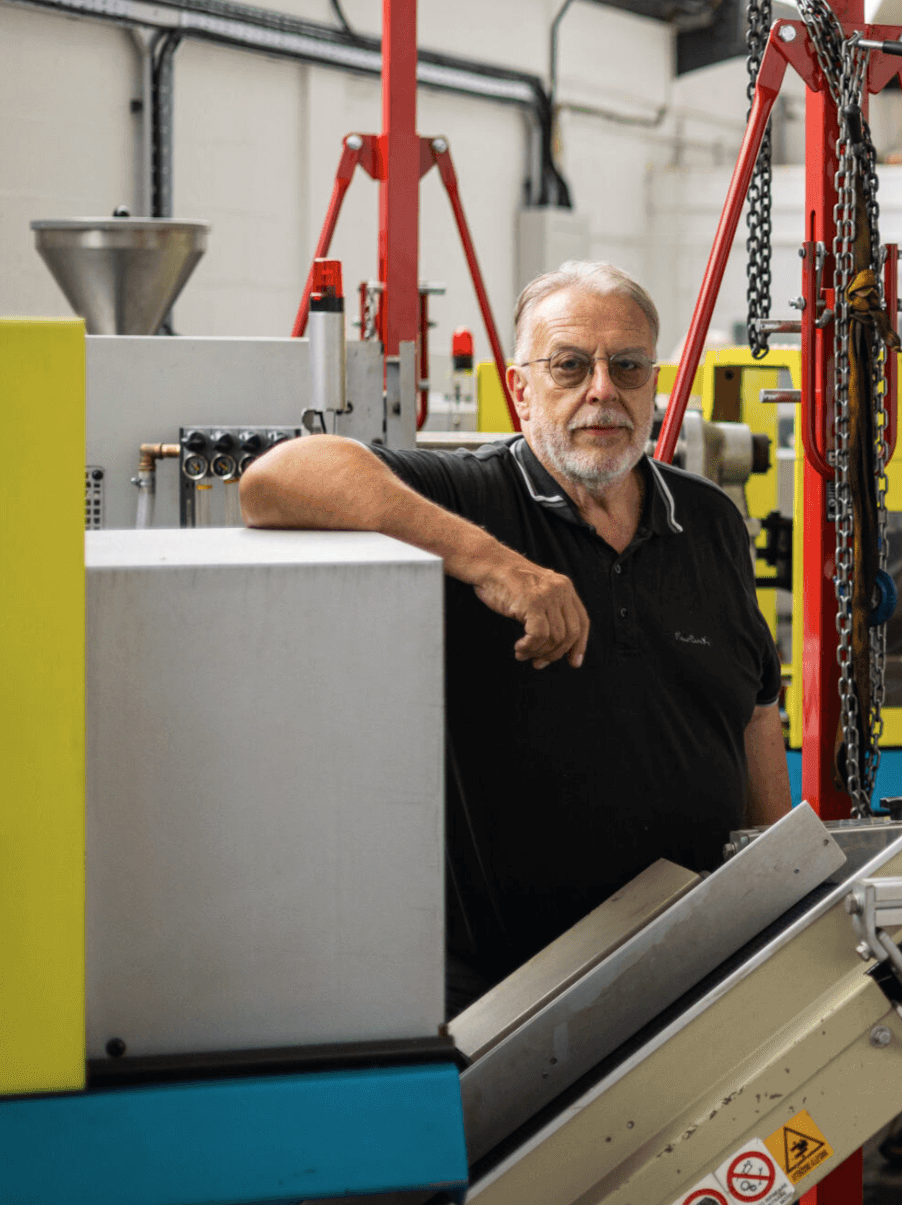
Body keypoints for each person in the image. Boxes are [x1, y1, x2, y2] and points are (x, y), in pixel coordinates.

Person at [242, 261, 791, 1012]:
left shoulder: (710, 519)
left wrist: (782, 899)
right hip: (507, 993)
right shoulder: (473, 497)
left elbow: (756, 706)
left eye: (626, 366)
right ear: (519, 389)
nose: (603, 389)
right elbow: (277, 478)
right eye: (569, 366)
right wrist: (493, 566)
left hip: (691, 968)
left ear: (653, 385)